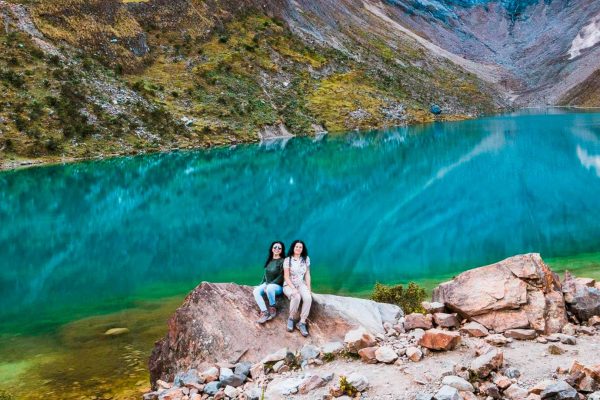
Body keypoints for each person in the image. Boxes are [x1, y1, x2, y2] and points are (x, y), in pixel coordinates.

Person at [283, 240, 312, 337]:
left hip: (301, 284)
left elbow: (307, 274)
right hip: (289, 284)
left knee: (308, 298)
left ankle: (302, 322)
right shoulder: (288, 260)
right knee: (296, 296)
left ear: (302, 249)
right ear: (293, 247)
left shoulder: (306, 259)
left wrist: (309, 288)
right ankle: (291, 318)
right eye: (297, 247)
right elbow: (286, 276)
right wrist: (293, 288)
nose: (298, 248)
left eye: (300, 247)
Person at [253, 241, 285, 324]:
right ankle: (264, 312)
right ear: (272, 249)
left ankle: (272, 307)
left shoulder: (283, 261)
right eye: (275, 247)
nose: (277, 249)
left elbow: (282, 276)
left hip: (278, 286)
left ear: (282, 250)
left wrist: (270, 285)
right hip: (267, 284)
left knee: (270, 288)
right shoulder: (270, 260)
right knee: (256, 291)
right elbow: (265, 275)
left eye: (279, 248)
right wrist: (260, 285)